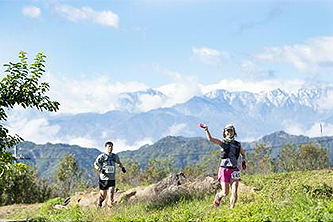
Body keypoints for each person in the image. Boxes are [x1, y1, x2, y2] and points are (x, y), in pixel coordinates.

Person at [199, 123, 247, 209]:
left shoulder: (237, 144)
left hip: (234, 170)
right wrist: (206, 129)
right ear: (224, 133)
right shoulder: (222, 142)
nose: (229, 132)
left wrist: (243, 160)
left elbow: (243, 154)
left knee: (235, 191)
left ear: (234, 132)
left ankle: (232, 209)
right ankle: (218, 195)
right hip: (224, 170)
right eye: (227, 131)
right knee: (225, 193)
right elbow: (210, 139)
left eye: (231, 130)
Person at [93, 141, 126, 208]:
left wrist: (122, 168)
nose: (110, 148)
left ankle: (110, 211)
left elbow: (119, 163)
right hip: (103, 179)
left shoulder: (114, 156)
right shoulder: (102, 156)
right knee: (103, 195)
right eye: (109, 146)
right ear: (105, 148)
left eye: (111, 146)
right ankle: (99, 203)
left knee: (111, 193)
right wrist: (99, 169)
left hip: (112, 178)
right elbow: (95, 164)